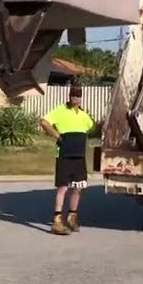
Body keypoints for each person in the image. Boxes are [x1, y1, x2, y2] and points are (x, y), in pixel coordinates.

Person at [39, 85, 95, 235]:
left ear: (81, 98)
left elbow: (91, 127)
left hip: (79, 156)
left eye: (77, 96)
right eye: (72, 96)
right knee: (63, 187)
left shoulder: (83, 115)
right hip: (64, 155)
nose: (74, 98)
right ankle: (57, 221)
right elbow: (44, 122)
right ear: (69, 96)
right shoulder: (61, 110)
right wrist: (57, 136)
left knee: (78, 187)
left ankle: (72, 217)